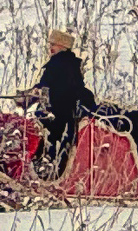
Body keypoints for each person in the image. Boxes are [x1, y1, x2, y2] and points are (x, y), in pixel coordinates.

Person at [19, 32, 93, 167]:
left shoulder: (57, 64)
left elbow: (44, 88)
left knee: (44, 139)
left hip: (56, 114)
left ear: (63, 46)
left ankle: (40, 166)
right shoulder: (72, 64)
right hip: (67, 116)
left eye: (53, 44)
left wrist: (27, 98)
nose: (50, 48)